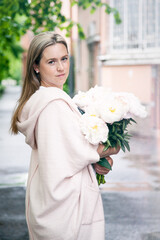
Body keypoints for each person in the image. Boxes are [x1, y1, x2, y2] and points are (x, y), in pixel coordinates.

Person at [10, 32, 120, 240]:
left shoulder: (44, 101)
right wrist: (114, 145)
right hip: (66, 210)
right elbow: (83, 152)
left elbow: (67, 157)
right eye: (51, 61)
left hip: (50, 200)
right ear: (36, 66)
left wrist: (99, 161)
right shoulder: (54, 105)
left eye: (64, 58)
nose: (61, 68)